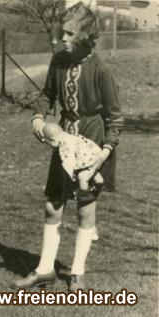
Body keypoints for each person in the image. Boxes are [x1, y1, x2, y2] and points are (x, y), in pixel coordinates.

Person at [13, 2, 123, 291]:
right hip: (64, 143)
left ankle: (77, 272)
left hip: (93, 143)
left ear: (86, 35)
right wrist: (38, 119)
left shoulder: (101, 70)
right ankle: (45, 269)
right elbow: (46, 96)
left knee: (86, 211)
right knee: (52, 205)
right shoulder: (58, 61)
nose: (62, 38)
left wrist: (104, 153)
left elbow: (115, 118)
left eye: (69, 33)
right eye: (62, 33)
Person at [42, 122, 104, 199]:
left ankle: (81, 193)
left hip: (84, 162)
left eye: (49, 143)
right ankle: (99, 181)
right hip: (94, 156)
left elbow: (69, 162)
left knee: (82, 177)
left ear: (53, 141)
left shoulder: (64, 145)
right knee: (94, 173)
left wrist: (71, 177)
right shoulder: (71, 136)